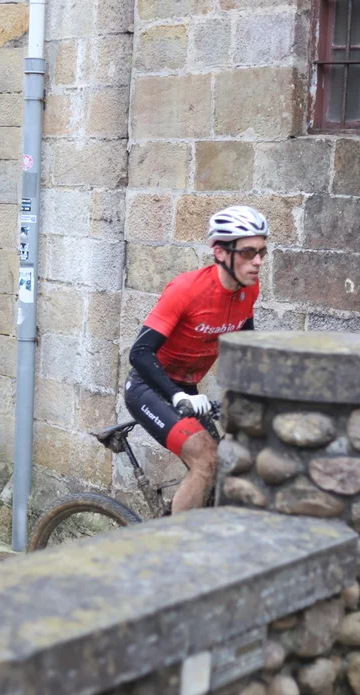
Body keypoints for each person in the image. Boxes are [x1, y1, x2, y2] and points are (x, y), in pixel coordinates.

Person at [124, 205, 268, 513]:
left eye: (261, 252)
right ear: (220, 252)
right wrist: (177, 396)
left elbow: (246, 349)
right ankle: (180, 540)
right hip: (149, 388)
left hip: (188, 390)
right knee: (207, 459)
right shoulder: (187, 289)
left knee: (227, 459)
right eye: (247, 252)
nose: (257, 261)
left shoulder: (249, 290)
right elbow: (139, 352)